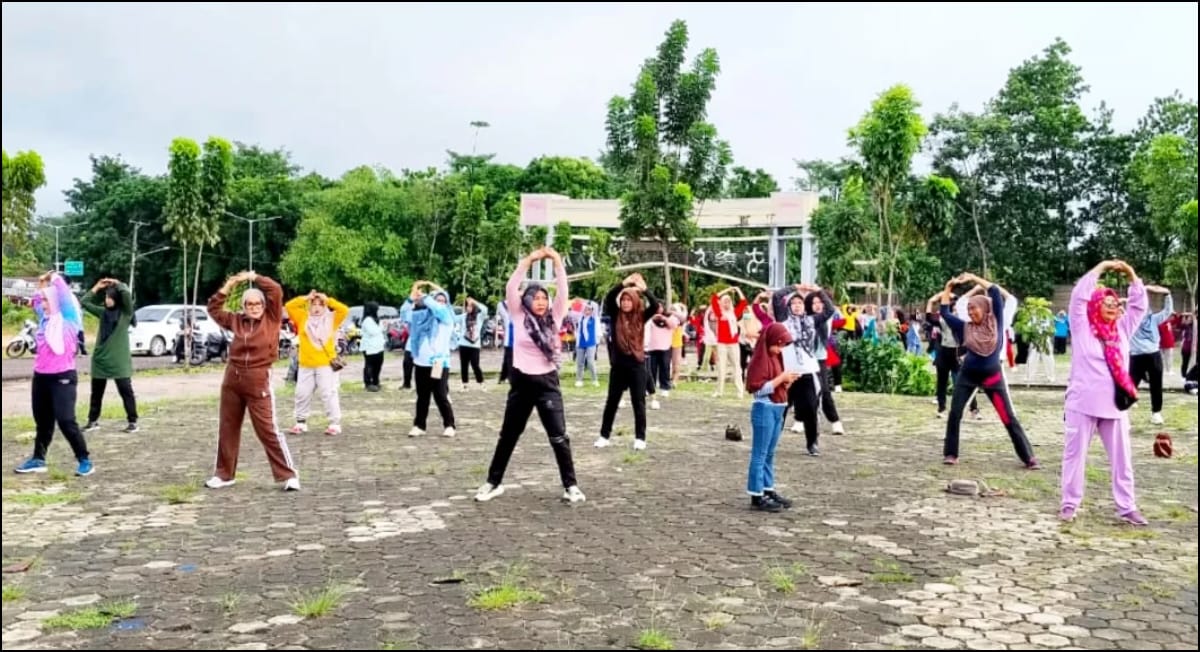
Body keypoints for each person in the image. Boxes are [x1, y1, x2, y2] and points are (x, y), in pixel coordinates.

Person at [477, 247, 583, 503]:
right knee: (509, 435)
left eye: (544, 297)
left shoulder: (554, 317)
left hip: (547, 382)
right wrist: (528, 260)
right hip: (521, 381)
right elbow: (511, 287)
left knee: (558, 436)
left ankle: (571, 486)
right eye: (535, 297)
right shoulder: (517, 315)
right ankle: (493, 482)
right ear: (526, 300)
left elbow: (563, 290)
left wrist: (557, 260)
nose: (541, 301)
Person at [1060, 260, 1149, 526]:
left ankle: (1127, 506)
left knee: (1123, 459)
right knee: (1075, 457)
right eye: (1106, 303)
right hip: (1082, 403)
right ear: (1095, 305)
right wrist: (1101, 268)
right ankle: (1069, 504)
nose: (1113, 307)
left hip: (1115, 405)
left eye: (1115, 304)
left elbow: (1138, 306)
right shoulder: (1081, 327)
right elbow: (1078, 297)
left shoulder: (1122, 330)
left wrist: (1132, 275)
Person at [205, 271, 299, 491]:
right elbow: (214, 309)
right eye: (249, 304)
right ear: (244, 306)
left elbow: (275, 290)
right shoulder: (236, 321)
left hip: (258, 378)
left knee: (267, 428)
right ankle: (224, 474)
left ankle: (288, 474)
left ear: (264, 305)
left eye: (258, 303)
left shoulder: (272, 317)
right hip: (232, 378)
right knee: (228, 427)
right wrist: (229, 285)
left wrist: (254, 277)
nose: (254, 307)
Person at [939, 272, 1038, 469]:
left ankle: (1028, 457)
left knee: (1007, 417)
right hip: (968, 376)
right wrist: (948, 288)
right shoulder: (963, 327)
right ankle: (951, 453)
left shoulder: (997, 321)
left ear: (984, 308)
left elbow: (993, 290)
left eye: (973, 308)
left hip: (993, 377)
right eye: (968, 309)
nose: (970, 312)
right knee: (955, 413)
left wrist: (974, 278)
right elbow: (944, 312)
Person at [14, 272, 93, 476]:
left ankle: (84, 460)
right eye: (44, 303)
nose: (44, 306)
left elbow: (64, 295)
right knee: (43, 421)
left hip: (63, 377)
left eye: (48, 302)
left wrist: (54, 276)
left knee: (66, 420)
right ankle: (38, 459)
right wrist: (40, 285)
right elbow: (36, 300)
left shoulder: (69, 319)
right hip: (41, 377)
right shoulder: (45, 319)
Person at [596, 274, 660, 450]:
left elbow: (655, 306)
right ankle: (604, 435)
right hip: (618, 366)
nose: (625, 303)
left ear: (634, 301)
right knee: (612, 402)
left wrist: (644, 289)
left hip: (636, 365)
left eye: (628, 300)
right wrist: (624, 283)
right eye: (623, 300)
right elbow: (609, 297)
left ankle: (640, 438)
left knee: (638, 402)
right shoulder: (615, 314)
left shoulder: (641, 316)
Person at [745, 323, 802, 512]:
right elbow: (758, 389)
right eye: (778, 345)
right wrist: (781, 379)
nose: (780, 349)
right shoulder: (759, 360)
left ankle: (768, 489)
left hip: (778, 407)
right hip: (764, 408)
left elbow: (777, 385)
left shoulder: (777, 358)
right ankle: (756, 494)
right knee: (760, 454)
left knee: (770, 453)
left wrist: (787, 381)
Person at [771, 283, 827, 456]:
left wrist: (818, 291)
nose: (797, 305)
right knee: (781, 408)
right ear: (789, 306)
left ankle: (812, 443)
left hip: (806, 370)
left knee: (811, 407)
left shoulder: (811, 320)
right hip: (787, 372)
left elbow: (829, 310)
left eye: (800, 303)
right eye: (794, 303)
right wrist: (796, 287)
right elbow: (776, 297)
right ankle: (770, 442)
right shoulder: (783, 320)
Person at [285, 290, 350, 436]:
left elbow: (344, 309)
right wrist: (306, 297)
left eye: (320, 305)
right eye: (313, 304)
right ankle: (300, 422)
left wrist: (328, 300)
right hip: (306, 364)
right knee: (302, 393)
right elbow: (289, 306)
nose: (316, 307)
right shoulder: (303, 317)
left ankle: (334, 423)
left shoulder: (332, 318)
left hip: (325, 364)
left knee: (328, 393)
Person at [81, 278, 139, 433]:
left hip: (119, 361)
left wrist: (117, 283)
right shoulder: (103, 313)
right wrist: (97, 287)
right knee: (96, 394)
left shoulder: (126, 314)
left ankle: (132, 421)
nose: (107, 300)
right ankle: (92, 421)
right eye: (105, 297)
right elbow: (85, 302)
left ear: (116, 299)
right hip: (100, 360)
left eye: (110, 297)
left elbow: (126, 293)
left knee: (126, 392)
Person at [404, 281, 457, 437]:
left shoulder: (447, 317)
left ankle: (449, 425)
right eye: (437, 299)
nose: (439, 303)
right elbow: (405, 314)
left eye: (442, 301)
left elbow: (437, 308)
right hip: (421, 362)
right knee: (422, 396)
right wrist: (411, 298)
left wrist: (427, 294)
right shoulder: (420, 317)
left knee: (440, 394)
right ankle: (419, 425)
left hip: (439, 362)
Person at [1129, 285, 1174, 425]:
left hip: (1153, 355)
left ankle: (1156, 412)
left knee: (1156, 384)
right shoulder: (1131, 320)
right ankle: (1123, 409)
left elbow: (1168, 311)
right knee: (1130, 384)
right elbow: (1130, 303)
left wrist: (1167, 294)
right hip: (1136, 355)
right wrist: (1140, 289)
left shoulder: (1154, 319)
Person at [711, 287, 748, 397]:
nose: (726, 304)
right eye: (724, 302)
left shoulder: (734, 314)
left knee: (737, 367)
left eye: (728, 301)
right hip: (722, 343)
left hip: (733, 343)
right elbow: (714, 298)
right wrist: (727, 290)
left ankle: (740, 391)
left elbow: (743, 302)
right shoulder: (719, 314)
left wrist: (737, 290)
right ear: (721, 304)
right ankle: (719, 391)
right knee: (721, 367)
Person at [456, 296, 489, 392]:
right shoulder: (463, 317)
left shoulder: (479, 317)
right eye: (467, 306)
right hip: (463, 344)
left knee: (475, 364)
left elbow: (485, 309)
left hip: (474, 345)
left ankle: (482, 383)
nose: (468, 308)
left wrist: (474, 301)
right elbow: (453, 319)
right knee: (464, 365)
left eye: (470, 306)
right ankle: (465, 385)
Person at [360, 301, 386, 392]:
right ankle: (368, 383)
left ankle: (376, 381)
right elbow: (373, 332)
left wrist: (382, 326)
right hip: (369, 347)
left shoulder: (376, 319)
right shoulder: (367, 320)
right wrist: (382, 327)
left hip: (379, 346)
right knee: (369, 365)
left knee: (378, 365)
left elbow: (380, 330)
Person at [574, 301, 601, 387]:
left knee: (590, 362)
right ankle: (579, 380)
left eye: (589, 309)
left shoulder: (594, 319)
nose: (587, 311)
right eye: (585, 309)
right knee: (580, 362)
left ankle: (594, 379)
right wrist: (577, 342)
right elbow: (578, 331)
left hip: (591, 342)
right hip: (581, 342)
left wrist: (597, 341)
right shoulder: (581, 319)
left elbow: (598, 330)